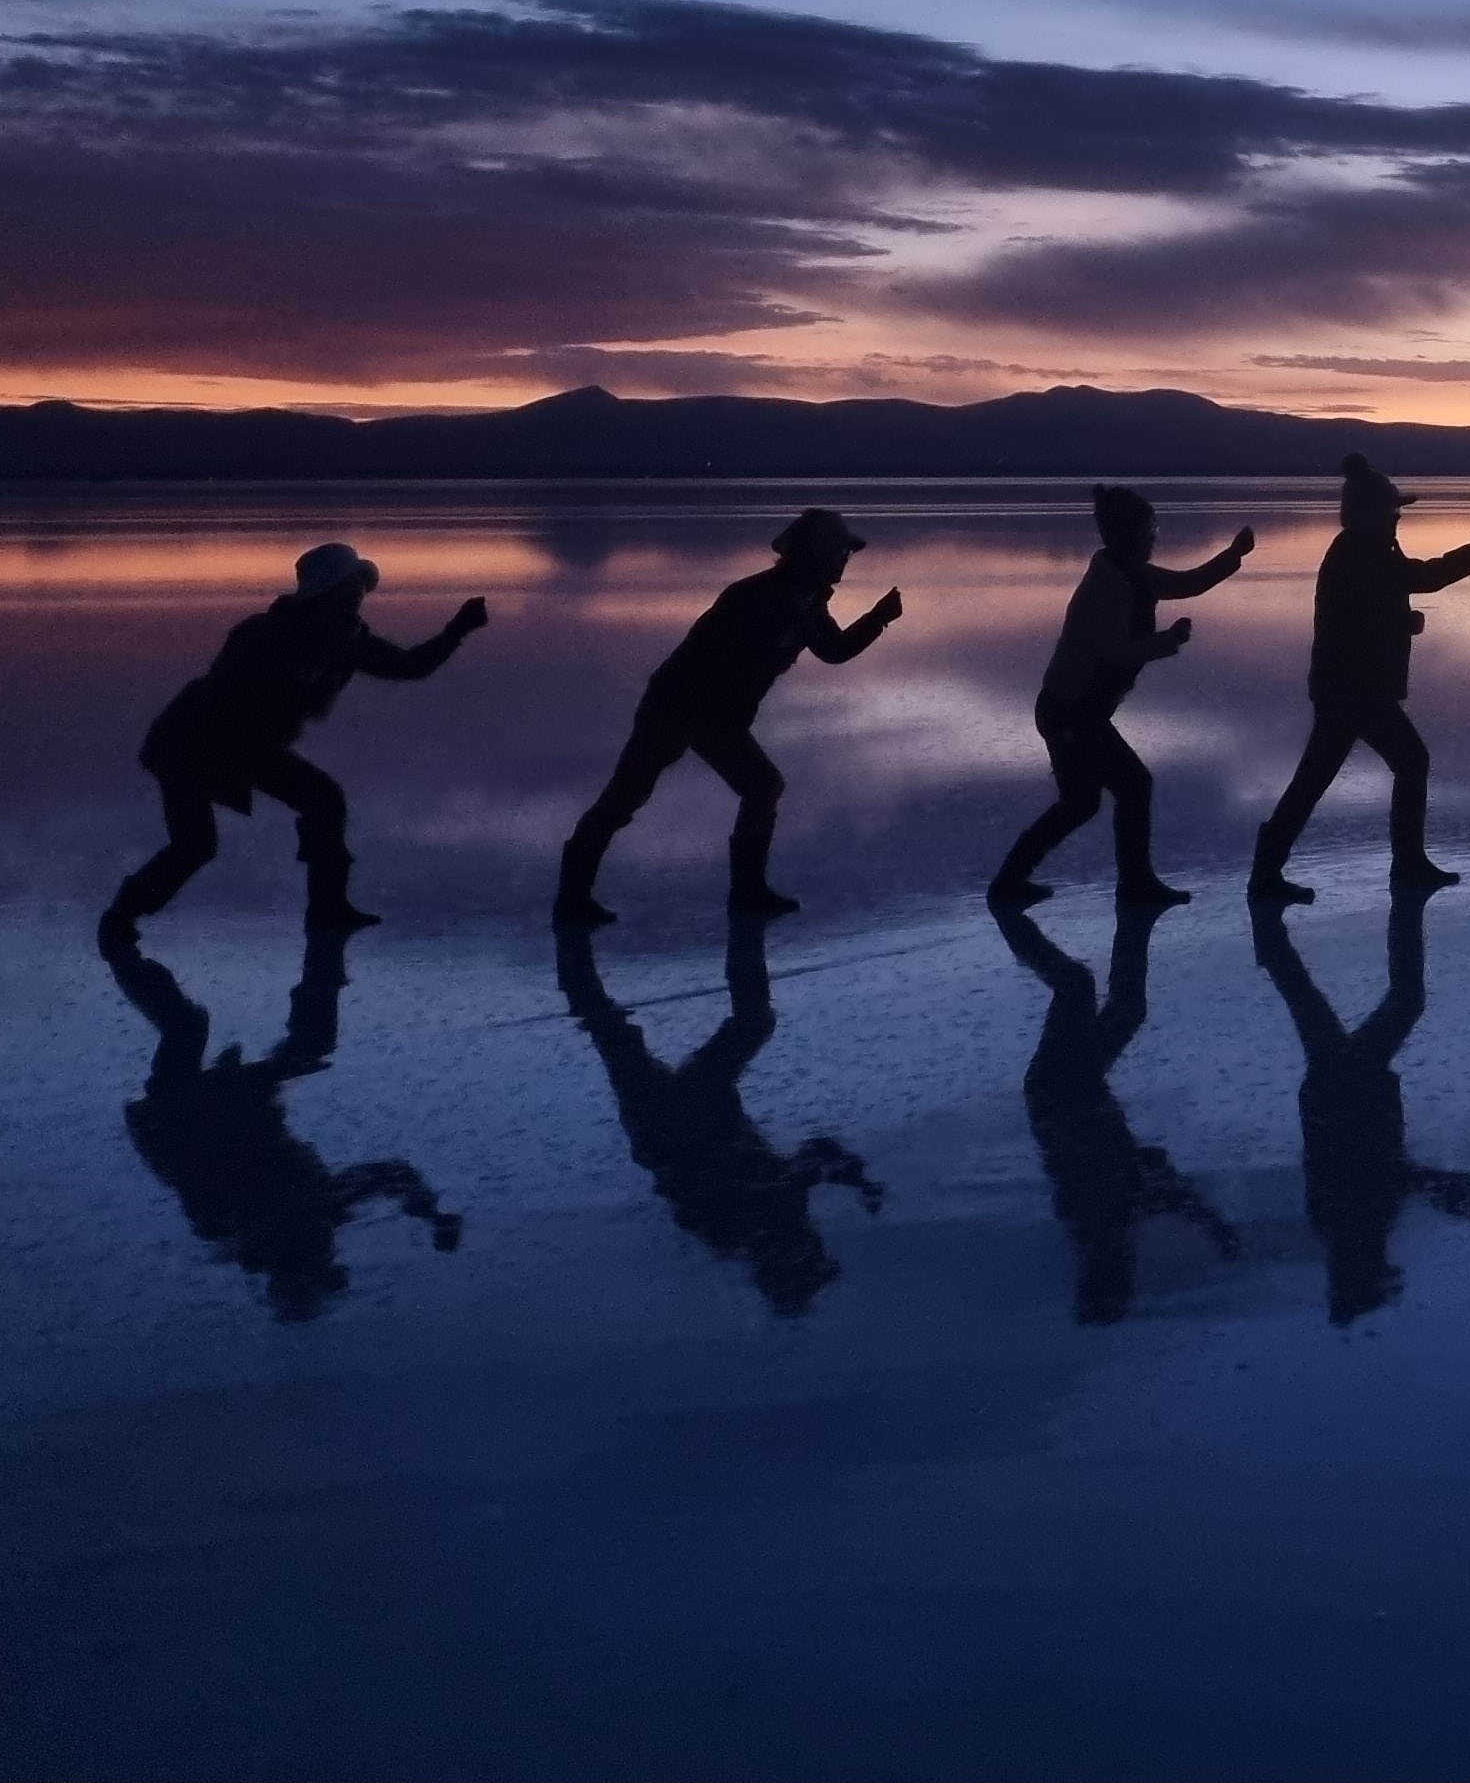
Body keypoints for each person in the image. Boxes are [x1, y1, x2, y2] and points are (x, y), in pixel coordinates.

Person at [108, 542, 488, 935]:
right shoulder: (265, 633)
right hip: (189, 744)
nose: (359, 594)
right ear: (330, 590)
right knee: (197, 844)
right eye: (351, 585)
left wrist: (457, 629)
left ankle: (328, 908)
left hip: (241, 746)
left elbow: (409, 665)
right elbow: (227, 701)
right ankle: (121, 916)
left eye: (360, 585)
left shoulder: (345, 639)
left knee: (321, 802)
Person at [554, 508, 900, 926]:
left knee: (758, 786)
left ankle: (747, 891)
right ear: (814, 553)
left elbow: (834, 650)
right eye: (839, 552)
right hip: (680, 705)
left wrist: (877, 619)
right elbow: (715, 661)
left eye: (846, 553)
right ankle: (575, 896)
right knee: (629, 797)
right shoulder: (759, 597)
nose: (844, 560)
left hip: (711, 714)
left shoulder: (804, 603)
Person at [105, 921, 461, 1321]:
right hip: (220, 1107)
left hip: (191, 1111)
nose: (329, 1254)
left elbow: (191, 1159)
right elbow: (392, 1174)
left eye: (322, 1265)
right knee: (205, 1030)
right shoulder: (307, 1212)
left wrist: (431, 1213)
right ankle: (327, 940)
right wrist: (430, 1213)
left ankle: (118, 949)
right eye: (328, 1264)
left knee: (190, 1028)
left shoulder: (240, 1222)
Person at [558, 917, 879, 1318]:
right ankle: (745, 924)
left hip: (664, 1120)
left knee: (615, 1030)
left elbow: (728, 1189)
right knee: (619, 1030)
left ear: (785, 1258)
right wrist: (855, 1178)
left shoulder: (729, 1232)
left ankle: (571, 932)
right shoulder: (780, 1212)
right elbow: (817, 1151)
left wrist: (811, 1177)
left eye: (812, 1253)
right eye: (818, 1250)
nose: (817, 1242)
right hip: (699, 1106)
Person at [1248, 455, 1470, 905]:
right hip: (1355, 690)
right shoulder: (1362, 553)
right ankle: (1407, 865)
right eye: (1392, 510)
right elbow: (1418, 580)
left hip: (1347, 688)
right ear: (1372, 513)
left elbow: (1374, 608)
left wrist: (1402, 622)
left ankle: (1270, 871)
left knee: (1318, 778)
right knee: (1407, 762)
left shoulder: (1364, 550)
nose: (1398, 517)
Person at [988, 487, 1255, 908]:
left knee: (1081, 803)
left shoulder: (1132, 574)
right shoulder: (1107, 585)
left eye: (1155, 530)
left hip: (1074, 710)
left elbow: (1188, 582)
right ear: (1129, 534)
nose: (1154, 539)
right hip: (1070, 711)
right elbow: (1115, 651)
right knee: (1131, 785)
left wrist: (1233, 555)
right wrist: (1166, 640)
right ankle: (1134, 886)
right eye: (1150, 531)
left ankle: (1012, 881)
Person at [1252, 880, 1470, 1324]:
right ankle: (1270, 932)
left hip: (1347, 1089)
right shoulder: (1341, 1227)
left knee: (1401, 1000)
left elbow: (1386, 1171)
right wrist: (1455, 1195)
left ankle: (1405, 900)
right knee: (1313, 999)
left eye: (1379, 1273)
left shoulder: (1355, 1224)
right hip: (1338, 1090)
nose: (1386, 1265)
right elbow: (1396, 1175)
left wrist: (1456, 1194)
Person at [997, 894, 1239, 1325]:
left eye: (1120, 1275)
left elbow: (1142, 1181)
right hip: (1074, 1087)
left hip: (1061, 1088)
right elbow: (1152, 1184)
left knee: (1077, 985)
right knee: (1122, 1006)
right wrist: (1212, 1224)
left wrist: (1212, 1224)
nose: (1129, 1266)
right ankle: (1135, 915)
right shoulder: (1106, 1225)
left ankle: (1008, 910)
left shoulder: (1094, 1221)